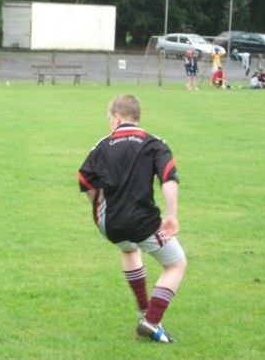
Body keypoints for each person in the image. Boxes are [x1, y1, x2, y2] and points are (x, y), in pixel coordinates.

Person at [78, 95, 186, 343]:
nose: (109, 122)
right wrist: (171, 216)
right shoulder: (155, 144)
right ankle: (151, 321)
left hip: (110, 224)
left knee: (128, 249)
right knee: (176, 264)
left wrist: (97, 205)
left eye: (109, 118)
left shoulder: (102, 145)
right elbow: (168, 179)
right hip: (142, 222)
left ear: (117, 117)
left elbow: (85, 180)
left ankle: (143, 311)